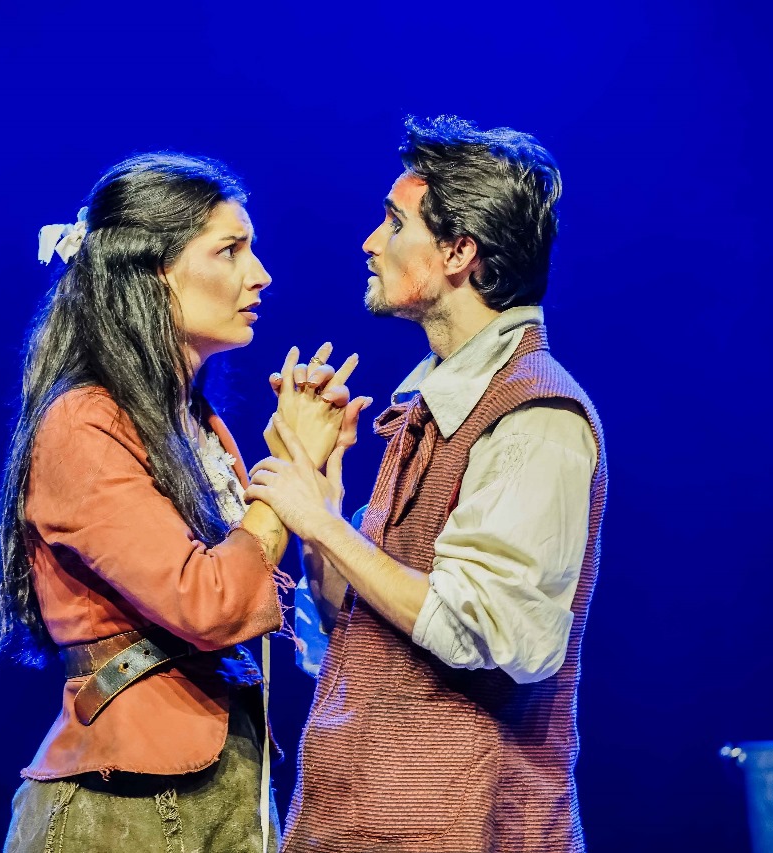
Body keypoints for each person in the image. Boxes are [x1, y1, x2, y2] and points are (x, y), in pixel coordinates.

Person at [246, 116, 609, 852]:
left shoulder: (535, 415)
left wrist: (323, 523)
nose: (370, 242)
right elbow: (352, 620)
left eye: (394, 222)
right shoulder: (433, 409)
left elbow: (490, 630)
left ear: (458, 252)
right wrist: (321, 483)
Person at [0, 152, 363, 853]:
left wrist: (317, 480)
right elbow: (208, 601)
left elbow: (269, 598)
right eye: (230, 250)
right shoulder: (83, 423)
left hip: (222, 788)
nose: (260, 274)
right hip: (123, 805)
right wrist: (287, 470)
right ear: (152, 271)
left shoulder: (196, 425)